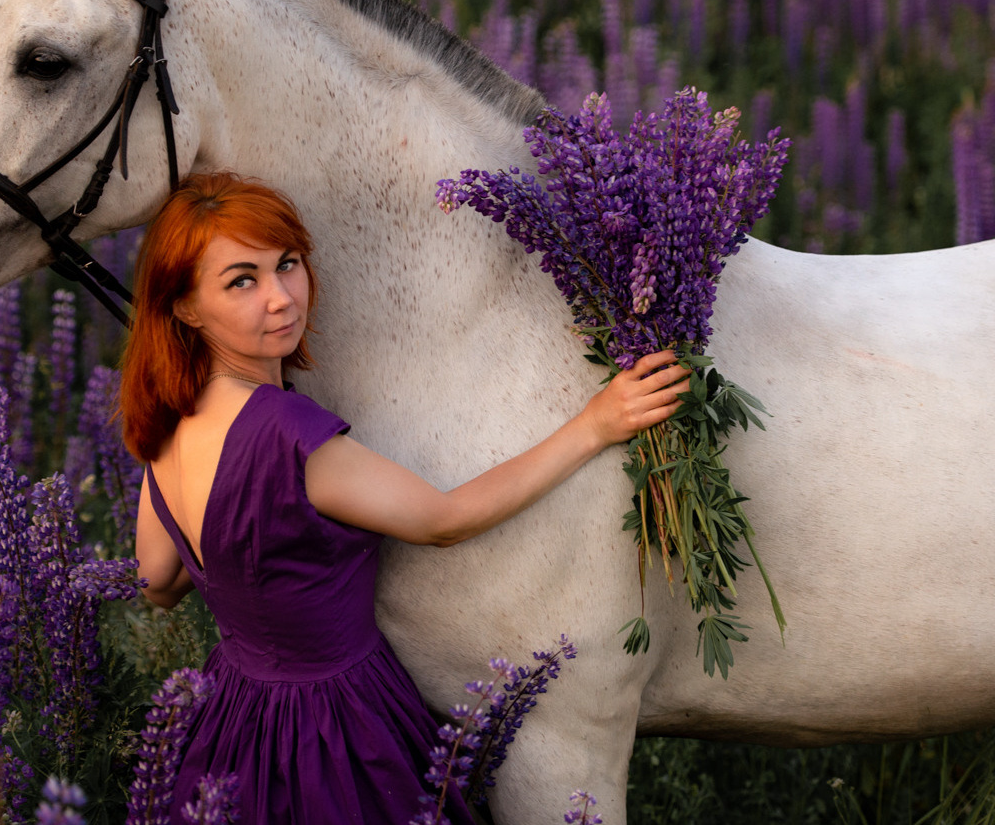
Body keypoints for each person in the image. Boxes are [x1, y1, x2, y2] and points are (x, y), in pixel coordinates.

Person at [121, 171, 685, 824]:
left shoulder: (169, 423)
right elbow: (443, 519)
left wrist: (245, 565)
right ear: (185, 306)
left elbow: (156, 580)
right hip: (331, 726)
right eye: (241, 280)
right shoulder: (287, 434)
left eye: (288, 264)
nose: (280, 298)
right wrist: (594, 425)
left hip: (231, 713)